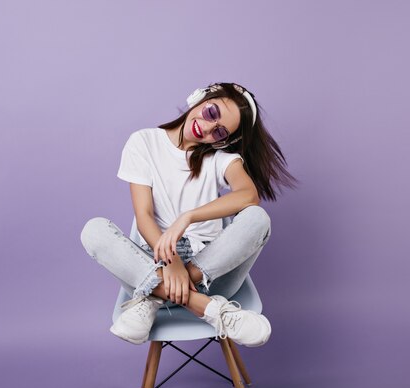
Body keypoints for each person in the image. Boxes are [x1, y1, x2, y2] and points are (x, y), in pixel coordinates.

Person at [80, 82, 298, 347]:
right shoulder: (143, 142)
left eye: (218, 131)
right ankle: (214, 311)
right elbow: (144, 215)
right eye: (211, 113)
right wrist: (171, 265)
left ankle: (154, 297)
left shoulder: (220, 158)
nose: (207, 128)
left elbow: (248, 195)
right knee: (94, 230)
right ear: (202, 96)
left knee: (258, 219)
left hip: (210, 275)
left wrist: (187, 218)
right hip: (153, 265)